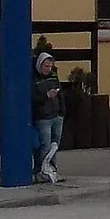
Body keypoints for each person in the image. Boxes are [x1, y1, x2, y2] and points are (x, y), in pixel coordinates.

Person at [31, 51, 65, 184]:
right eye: (46, 66)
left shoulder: (53, 77)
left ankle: (52, 169)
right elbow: (33, 99)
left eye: (50, 66)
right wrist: (46, 96)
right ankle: (41, 170)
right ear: (40, 65)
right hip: (43, 117)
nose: (48, 69)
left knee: (54, 145)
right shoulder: (34, 80)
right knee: (45, 145)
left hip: (56, 115)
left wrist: (62, 111)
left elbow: (60, 95)